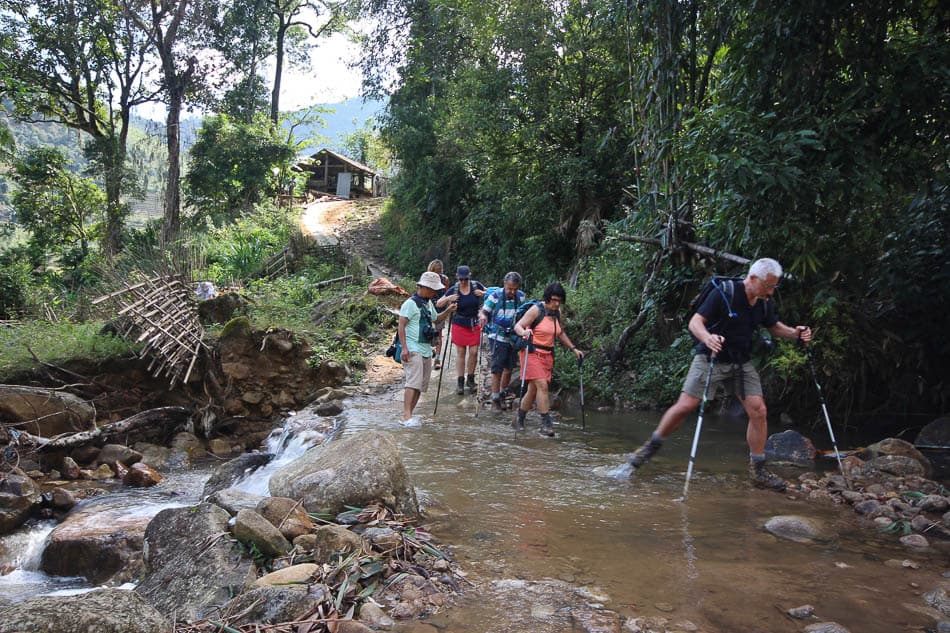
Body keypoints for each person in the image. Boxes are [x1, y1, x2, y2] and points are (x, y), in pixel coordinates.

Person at [626, 258, 812, 491]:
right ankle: (650, 447)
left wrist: (796, 333)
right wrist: (708, 338)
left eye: (774, 286)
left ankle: (758, 469)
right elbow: (695, 323)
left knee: (759, 410)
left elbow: (773, 326)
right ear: (753, 279)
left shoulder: (763, 302)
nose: (772, 291)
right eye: (769, 286)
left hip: (740, 361)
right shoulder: (725, 293)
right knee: (685, 406)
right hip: (710, 357)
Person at [512, 282, 584, 436]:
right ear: (547, 298)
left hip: (547, 355)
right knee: (542, 386)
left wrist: (573, 349)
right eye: (553, 300)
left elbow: (560, 333)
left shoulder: (557, 312)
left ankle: (519, 418)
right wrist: (524, 333)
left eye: (559, 300)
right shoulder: (536, 310)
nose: (556, 303)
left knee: (533, 390)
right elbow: (518, 325)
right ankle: (546, 423)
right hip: (531, 352)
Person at [399, 271, 453, 422]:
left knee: (421, 385)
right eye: (432, 289)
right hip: (412, 347)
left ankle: (410, 413)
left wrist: (448, 311)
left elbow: (436, 319)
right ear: (423, 287)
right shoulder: (409, 304)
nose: (434, 292)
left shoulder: (428, 303)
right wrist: (404, 348)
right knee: (412, 382)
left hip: (425, 349)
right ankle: (406, 415)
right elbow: (401, 326)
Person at [478, 271, 525, 411]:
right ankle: (495, 398)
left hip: (513, 336)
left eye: (515, 289)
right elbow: (484, 311)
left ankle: (502, 393)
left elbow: (523, 314)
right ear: (504, 284)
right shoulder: (495, 296)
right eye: (510, 288)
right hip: (497, 335)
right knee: (497, 368)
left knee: (509, 368)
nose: (512, 291)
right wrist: (482, 317)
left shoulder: (521, 296)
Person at [436, 265, 486, 395]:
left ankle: (470, 378)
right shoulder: (454, 289)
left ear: (469, 277)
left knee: (474, 352)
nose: (463, 281)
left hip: (474, 323)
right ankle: (460, 381)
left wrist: (483, 294)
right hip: (459, 323)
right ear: (458, 278)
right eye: (461, 279)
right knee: (461, 353)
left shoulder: (476, 286)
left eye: (465, 279)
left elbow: (493, 295)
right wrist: (448, 298)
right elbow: (439, 303)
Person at [427, 259, 451, 370]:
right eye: (436, 271)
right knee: (427, 332)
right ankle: (429, 351)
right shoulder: (427, 278)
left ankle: (437, 358)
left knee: (439, 333)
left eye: (439, 271)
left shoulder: (445, 279)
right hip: (427, 308)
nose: (438, 274)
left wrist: (449, 307)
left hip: (440, 309)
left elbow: (447, 294)